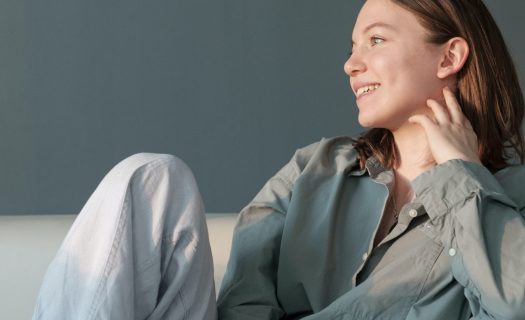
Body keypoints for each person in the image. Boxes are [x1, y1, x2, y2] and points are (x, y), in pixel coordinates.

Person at [33, 0, 525, 319]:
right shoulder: (316, 168)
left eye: (375, 40)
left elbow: (513, 303)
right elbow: (242, 300)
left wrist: (462, 178)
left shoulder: (510, 197)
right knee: (151, 176)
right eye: (352, 48)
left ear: (449, 56)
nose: (351, 64)